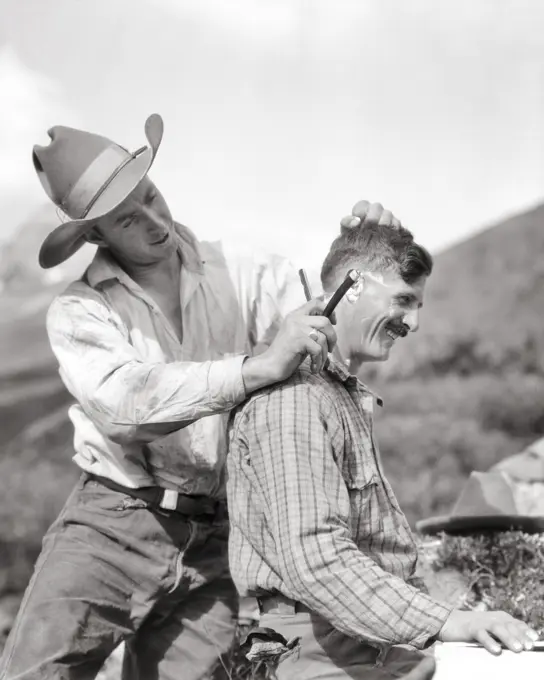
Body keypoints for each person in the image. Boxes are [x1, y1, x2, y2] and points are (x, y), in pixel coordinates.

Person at [0, 112, 377, 680]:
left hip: (218, 535)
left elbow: (328, 326)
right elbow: (126, 405)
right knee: (38, 672)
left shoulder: (243, 274)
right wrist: (255, 368)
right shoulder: (80, 311)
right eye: (129, 218)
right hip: (112, 523)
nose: (155, 220)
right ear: (96, 235)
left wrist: (363, 253)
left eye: (152, 195)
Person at [226, 204, 539, 679]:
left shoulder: (340, 394)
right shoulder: (295, 398)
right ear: (353, 286)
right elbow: (316, 559)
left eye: (417, 306)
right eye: (403, 300)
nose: (413, 324)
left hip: (368, 639)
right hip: (317, 648)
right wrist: (450, 621)